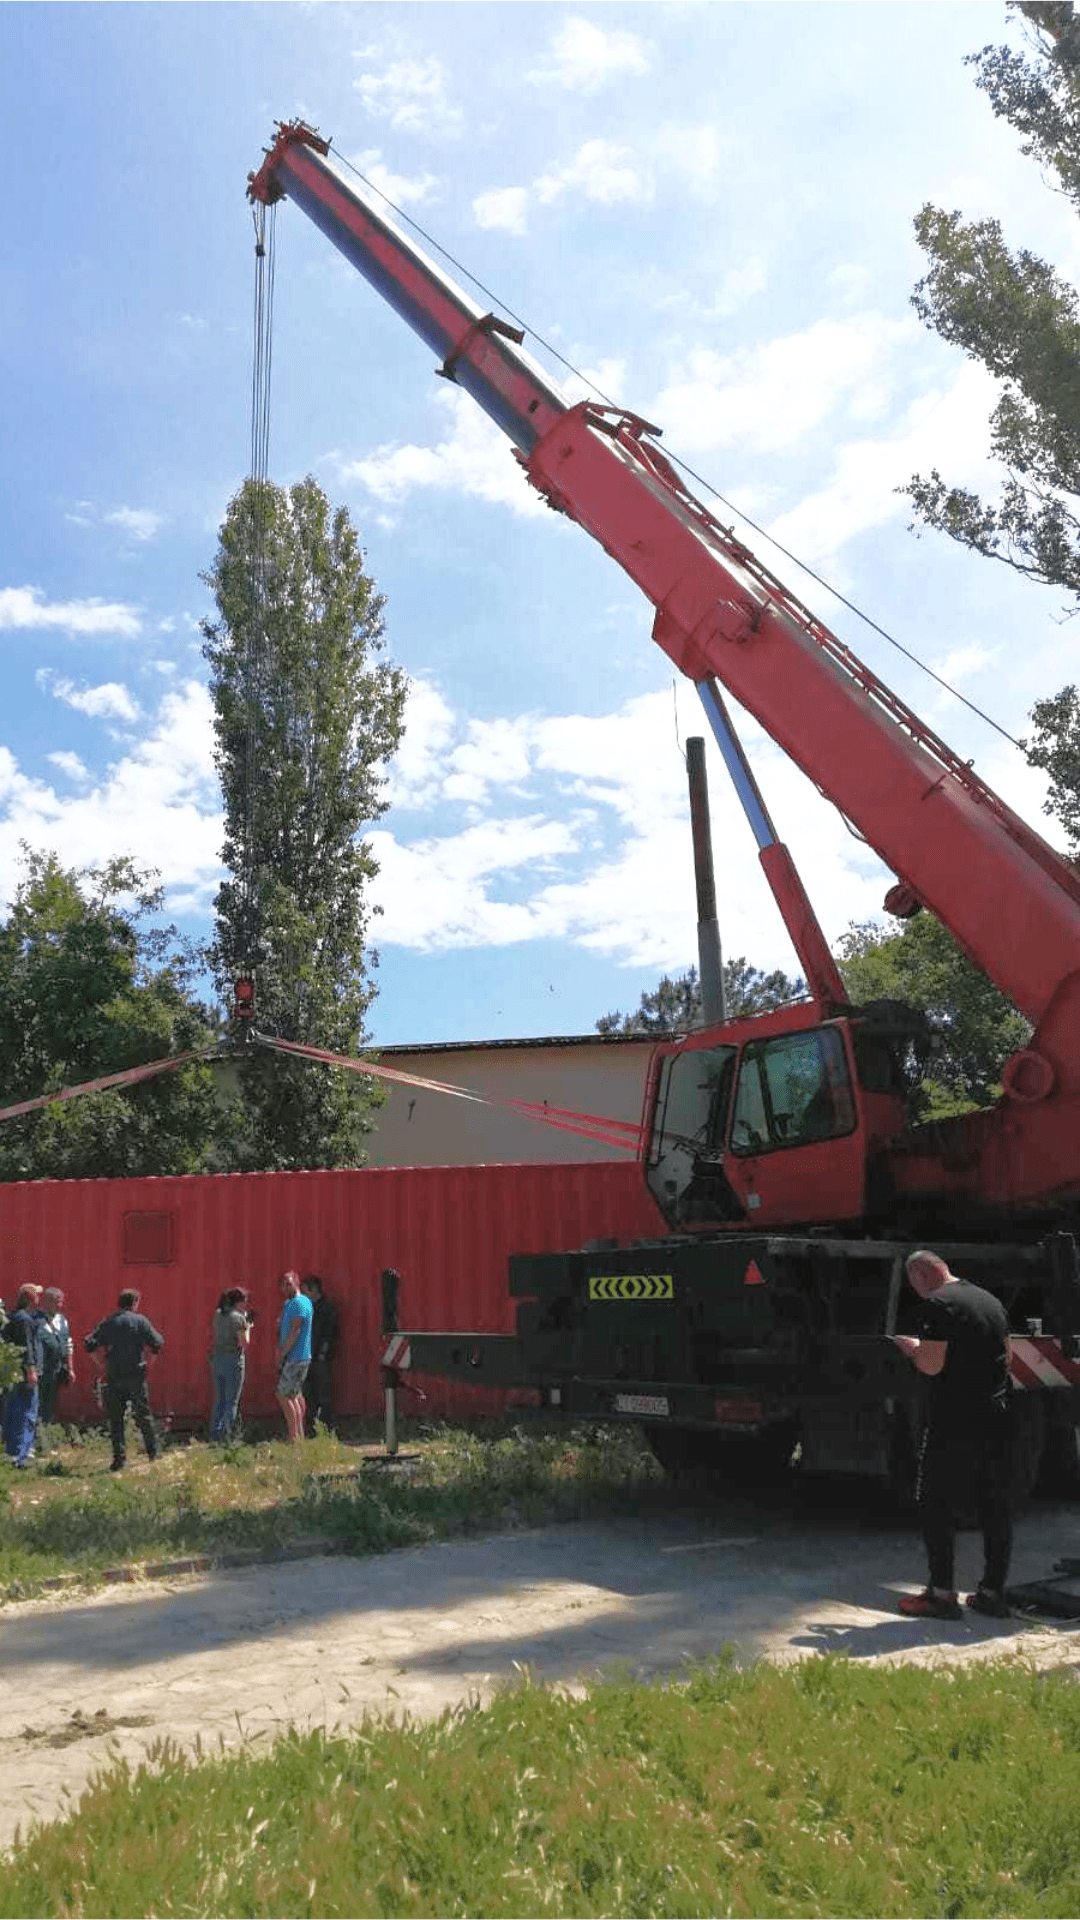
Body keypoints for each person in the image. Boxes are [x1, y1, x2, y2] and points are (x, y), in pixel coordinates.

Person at [894, 1248, 1014, 1620]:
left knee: (935, 1503)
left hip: (953, 1420)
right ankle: (992, 1592)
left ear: (921, 1275)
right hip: (996, 1415)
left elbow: (931, 1366)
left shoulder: (938, 1306)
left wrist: (911, 1348)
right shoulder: (989, 1300)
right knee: (994, 1505)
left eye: (914, 1286)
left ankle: (942, 1594)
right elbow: (1007, 1356)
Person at [84, 1288, 164, 1472]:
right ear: (135, 1302)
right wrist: (149, 1365)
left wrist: (101, 1365)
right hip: (136, 1374)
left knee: (116, 1419)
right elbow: (157, 1344)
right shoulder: (140, 1321)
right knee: (143, 1415)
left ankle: (119, 1459)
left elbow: (89, 1345)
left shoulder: (109, 1321)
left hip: (114, 1375)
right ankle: (153, 1452)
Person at [2, 1284, 43, 1467]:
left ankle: (11, 1453)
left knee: (12, 1411)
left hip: (13, 1374)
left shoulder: (12, 1317)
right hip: (24, 1374)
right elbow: (26, 1347)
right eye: (37, 1296)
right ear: (31, 1298)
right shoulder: (25, 1320)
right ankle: (20, 1456)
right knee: (26, 1413)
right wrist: (31, 1371)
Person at [209, 1288, 251, 1443]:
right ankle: (228, 1435)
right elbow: (244, 1342)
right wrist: (248, 1326)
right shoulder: (239, 1318)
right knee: (232, 1400)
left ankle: (215, 1433)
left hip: (217, 1359)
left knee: (219, 1398)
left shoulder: (218, 1314)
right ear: (239, 1302)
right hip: (233, 1359)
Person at [275, 1270, 312, 1443]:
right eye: (283, 1284)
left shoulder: (298, 1303)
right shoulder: (293, 1303)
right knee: (295, 1395)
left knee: (284, 1395)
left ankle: (293, 1437)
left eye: (289, 1283)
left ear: (297, 1283)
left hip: (296, 1356)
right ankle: (299, 1435)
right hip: (301, 1355)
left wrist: (283, 1353)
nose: (285, 1287)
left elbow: (295, 1330)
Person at [36, 1287, 75, 1445]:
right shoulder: (36, 1320)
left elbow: (69, 1345)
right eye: (55, 1301)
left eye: (61, 1301)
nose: (59, 1304)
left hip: (56, 1370)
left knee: (49, 1404)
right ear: (45, 1301)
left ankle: (45, 1437)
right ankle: (34, 1439)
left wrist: (70, 1368)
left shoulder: (62, 1320)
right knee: (36, 1403)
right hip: (40, 1370)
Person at [302, 1274, 339, 1436]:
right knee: (308, 1395)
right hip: (306, 1357)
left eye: (305, 1291)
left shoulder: (326, 1308)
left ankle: (328, 1429)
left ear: (314, 1290)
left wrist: (323, 1354)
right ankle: (311, 1430)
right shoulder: (308, 1308)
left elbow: (330, 1334)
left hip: (320, 1359)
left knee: (323, 1395)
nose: (303, 1295)